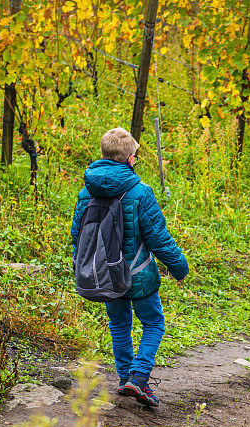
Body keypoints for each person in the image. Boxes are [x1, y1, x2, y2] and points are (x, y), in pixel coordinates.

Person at [71, 128, 188, 407]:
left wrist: (87, 267)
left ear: (102, 155)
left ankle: (125, 378)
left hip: (106, 275)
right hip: (138, 275)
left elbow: (77, 236)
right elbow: (159, 238)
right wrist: (179, 267)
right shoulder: (139, 192)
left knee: (119, 325)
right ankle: (137, 379)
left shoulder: (86, 193)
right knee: (154, 323)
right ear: (131, 158)